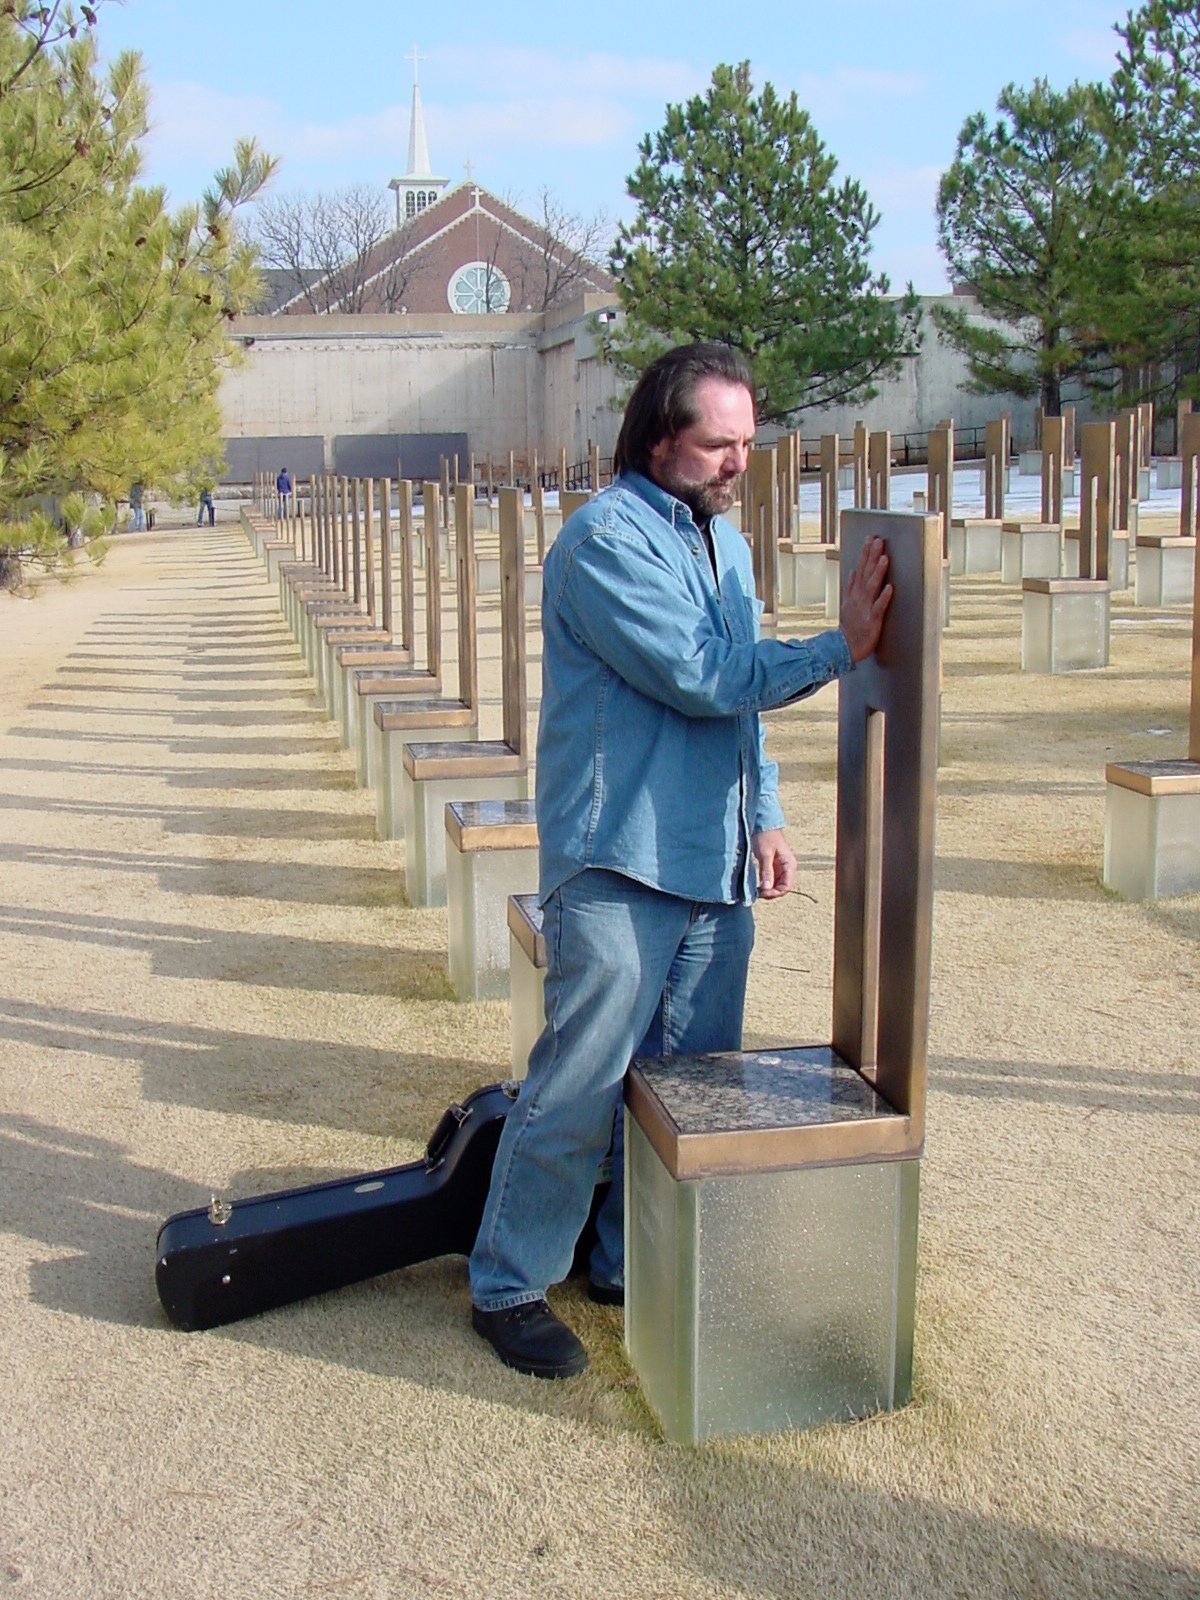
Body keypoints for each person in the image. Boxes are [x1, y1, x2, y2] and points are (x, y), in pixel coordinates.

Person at [468, 342, 893, 1379]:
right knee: (583, 1080)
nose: (737, 462)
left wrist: (771, 813)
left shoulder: (719, 542)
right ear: (660, 438)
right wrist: (840, 648)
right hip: (619, 857)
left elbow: (738, 704)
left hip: (712, 856)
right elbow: (705, 674)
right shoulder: (605, 541)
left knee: (688, 1084)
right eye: (718, 443)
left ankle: (621, 1262)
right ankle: (510, 1281)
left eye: (749, 442)